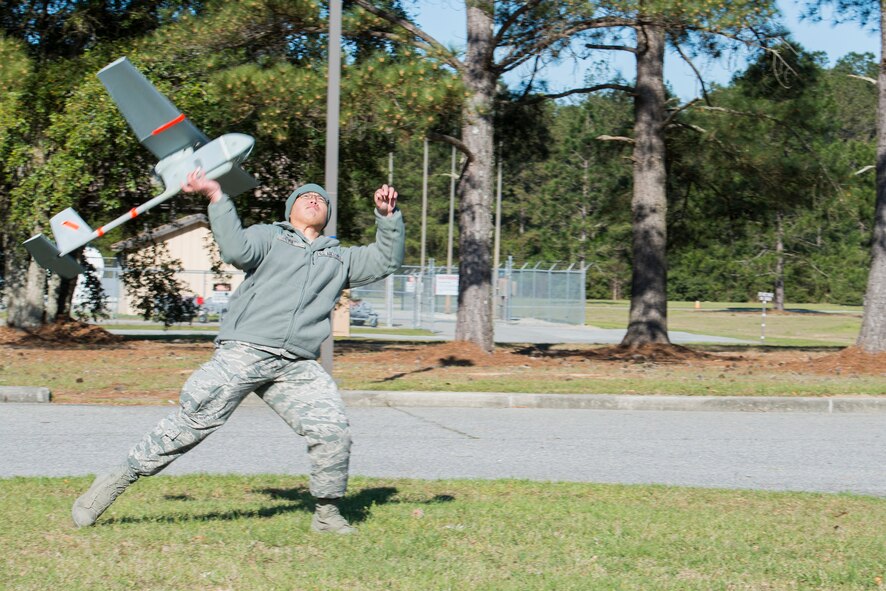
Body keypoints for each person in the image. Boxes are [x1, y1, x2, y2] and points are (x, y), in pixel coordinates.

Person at [72, 169, 405, 534]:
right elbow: (235, 250)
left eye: (321, 199)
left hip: (296, 363)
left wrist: (387, 219)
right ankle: (113, 483)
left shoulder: (339, 258)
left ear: (326, 214)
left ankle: (326, 515)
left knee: (332, 431)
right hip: (244, 350)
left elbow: (385, 261)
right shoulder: (269, 237)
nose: (314, 200)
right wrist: (217, 196)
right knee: (191, 423)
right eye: (305, 197)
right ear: (290, 210)